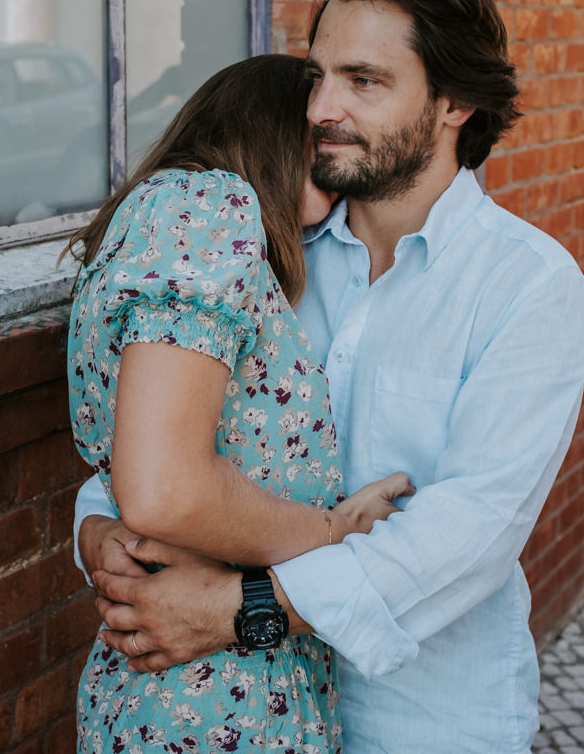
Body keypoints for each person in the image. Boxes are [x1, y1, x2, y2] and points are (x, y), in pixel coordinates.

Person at [75, 0, 584, 753]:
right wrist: (104, 537)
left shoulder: (527, 286)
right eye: (317, 76)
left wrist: (239, 607)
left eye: (364, 80)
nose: (321, 107)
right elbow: (154, 449)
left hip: (420, 720)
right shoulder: (265, 253)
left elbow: (471, 534)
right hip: (239, 714)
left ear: (453, 101)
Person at [63, 53, 412, 753]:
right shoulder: (208, 205)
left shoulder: (179, 224)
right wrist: (337, 536)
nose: (336, 159)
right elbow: (164, 488)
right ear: (272, 130)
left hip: (218, 688)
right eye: (319, 138)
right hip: (209, 699)